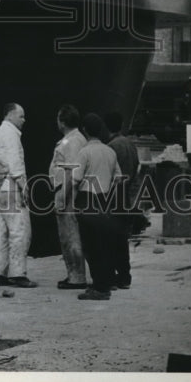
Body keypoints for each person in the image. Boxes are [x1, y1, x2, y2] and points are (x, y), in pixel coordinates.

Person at [71, 112, 123, 301]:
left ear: (84, 130)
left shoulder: (84, 152)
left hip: (87, 199)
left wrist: (70, 201)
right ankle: (106, 281)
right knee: (105, 243)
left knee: (91, 246)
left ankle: (100, 288)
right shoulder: (110, 151)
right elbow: (118, 177)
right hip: (104, 199)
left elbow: (75, 179)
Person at [0, 102, 37, 288]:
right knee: (20, 230)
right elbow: (15, 164)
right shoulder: (11, 134)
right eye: (21, 116)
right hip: (11, 188)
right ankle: (17, 274)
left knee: (0, 232)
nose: (24, 120)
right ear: (10, 115)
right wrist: (24, 188)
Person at [49, 104, 87, 290]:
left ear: (62, 122)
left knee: (70, 235)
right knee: (69, 235)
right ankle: (73, 274)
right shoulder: (75, 139)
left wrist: (62, 198)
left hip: (68, 194)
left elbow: (71, 172)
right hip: (68, 192)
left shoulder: (72, 142)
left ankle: (76, 277)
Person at [104, 111, 140, 290]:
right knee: (122, 239)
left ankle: (111, 276)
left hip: (113, 197)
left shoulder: (111, 147)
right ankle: (125, 276)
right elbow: (137, 167)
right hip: (126, 196)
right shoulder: (130, 144)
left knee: (110, 238)